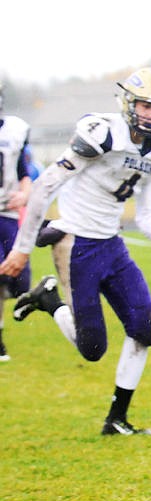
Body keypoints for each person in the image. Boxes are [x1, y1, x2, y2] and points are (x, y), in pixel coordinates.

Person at [0, 67, 151, 435]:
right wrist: (21, 250)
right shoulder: (102, 133)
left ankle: (116, 419)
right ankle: (50, 301)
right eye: (146, 106)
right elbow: (44, 187)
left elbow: (144, 212)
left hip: (113, 245)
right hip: (77, 245)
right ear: (129, 103)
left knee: (145, 328)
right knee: (92, 348)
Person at [0, 83, 33, 362]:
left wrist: (24, 193)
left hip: (8, 211)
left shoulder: (14, 130)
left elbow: (24, 171)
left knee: (21, 282)